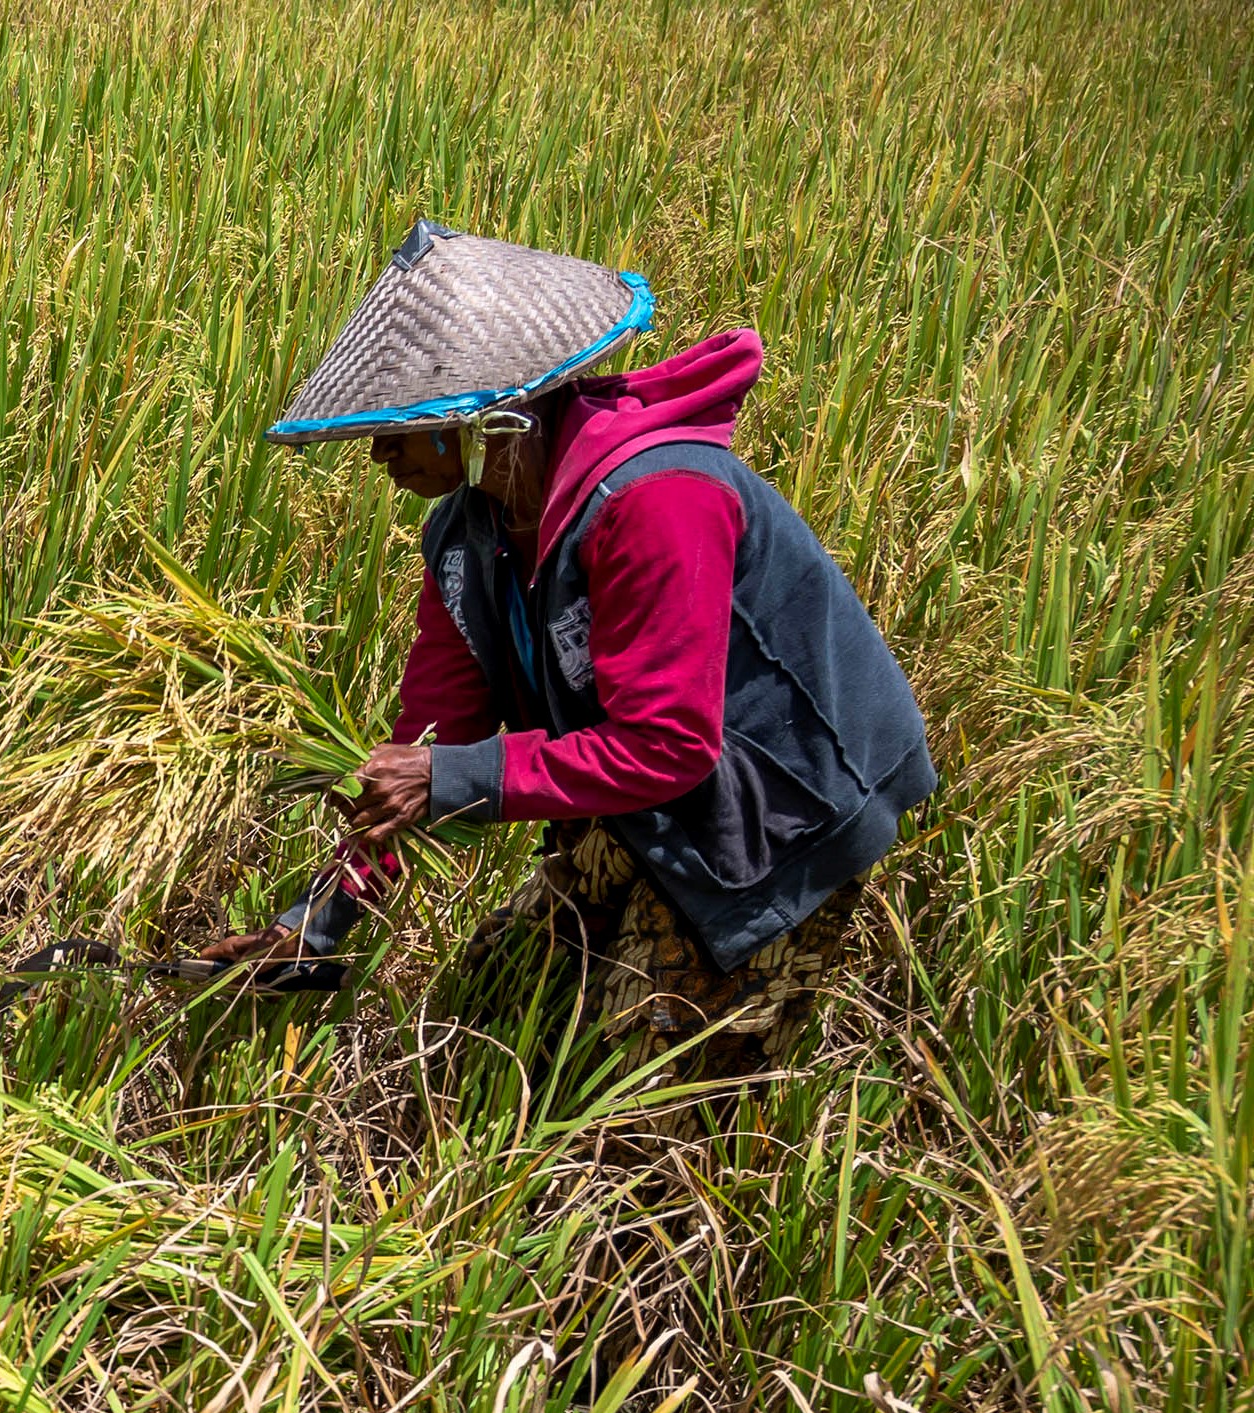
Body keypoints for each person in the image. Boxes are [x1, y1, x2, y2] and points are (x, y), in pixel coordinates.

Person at [210, 221, 936, 1080]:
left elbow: (669, 743)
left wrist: (449, 780)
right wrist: (318, 923)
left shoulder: (658, 501)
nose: (378, 453)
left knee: (637, 1107)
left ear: (487, 416)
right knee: (491, 1021)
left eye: (407, 424)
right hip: (635, 795)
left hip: (773, 812)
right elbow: (427, 754)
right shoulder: (464, 536)